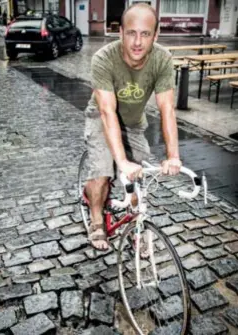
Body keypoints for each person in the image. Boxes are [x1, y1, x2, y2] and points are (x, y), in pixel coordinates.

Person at [84, 3, 182, 250]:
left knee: (139, 176)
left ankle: (135, 224)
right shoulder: (104, 58)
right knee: (102, 171)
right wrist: (121, 161)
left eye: (145, 34)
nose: (138, 42)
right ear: (121, 33)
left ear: (156, 35)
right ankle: (96, 221)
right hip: (101, 117)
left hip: (135, 123)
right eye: (131, 33)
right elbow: (107, 112)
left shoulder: (162, 59)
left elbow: (167, 108)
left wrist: (173, 156)